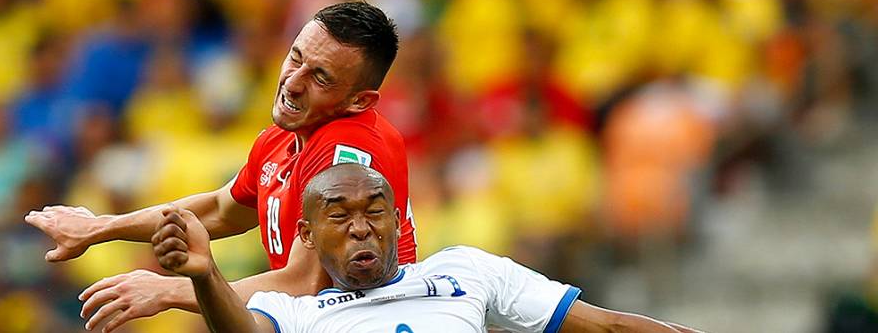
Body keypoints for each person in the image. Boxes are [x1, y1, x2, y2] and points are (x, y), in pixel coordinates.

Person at [25, 2, 417, 331]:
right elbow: (221, 210)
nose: (292, 83)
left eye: (321, 77)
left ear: (359, 102)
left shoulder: (346, 151)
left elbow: (306, 282)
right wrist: (102, 227)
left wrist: (167, 291)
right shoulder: (283, 138)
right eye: (295, 58)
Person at [154, 163, 704, 333]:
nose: (361, 227)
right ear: (305, 235)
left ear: (399, 219)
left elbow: (605, 327)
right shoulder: (289, 309)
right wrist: (205, 276)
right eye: (339, 216)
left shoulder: (466, 269)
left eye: (375, 211)